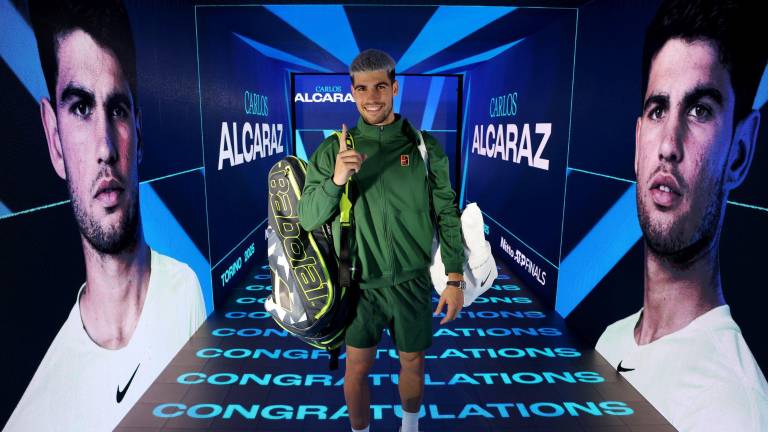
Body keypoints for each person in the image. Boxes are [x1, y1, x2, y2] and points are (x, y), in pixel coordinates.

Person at [4, 1, 206, 430]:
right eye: (80, 108)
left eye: (117, 110)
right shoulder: (33, 417)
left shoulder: (186, 288)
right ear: (53, 138)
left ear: (139, 131)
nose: (104, 147)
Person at [595, 0, 768, 430]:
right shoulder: (610, 340)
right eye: (658, 110)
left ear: (739, 153)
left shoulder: (734, 410)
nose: (669, 144)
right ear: (638, 144)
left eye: (700, 110)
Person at [299, 49, 465, 432]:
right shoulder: (332, 150)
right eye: (362, 89)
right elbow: (308, 216)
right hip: (359, 286)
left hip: (412, 281)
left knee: (413, 362)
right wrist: (337, 179)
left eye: (379, 87)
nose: (371, 97)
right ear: (352, 93)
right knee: (357, 367)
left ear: (394, 87)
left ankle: (410, 427)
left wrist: (454, 278)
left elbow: (447, 213)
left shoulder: (425, 148)